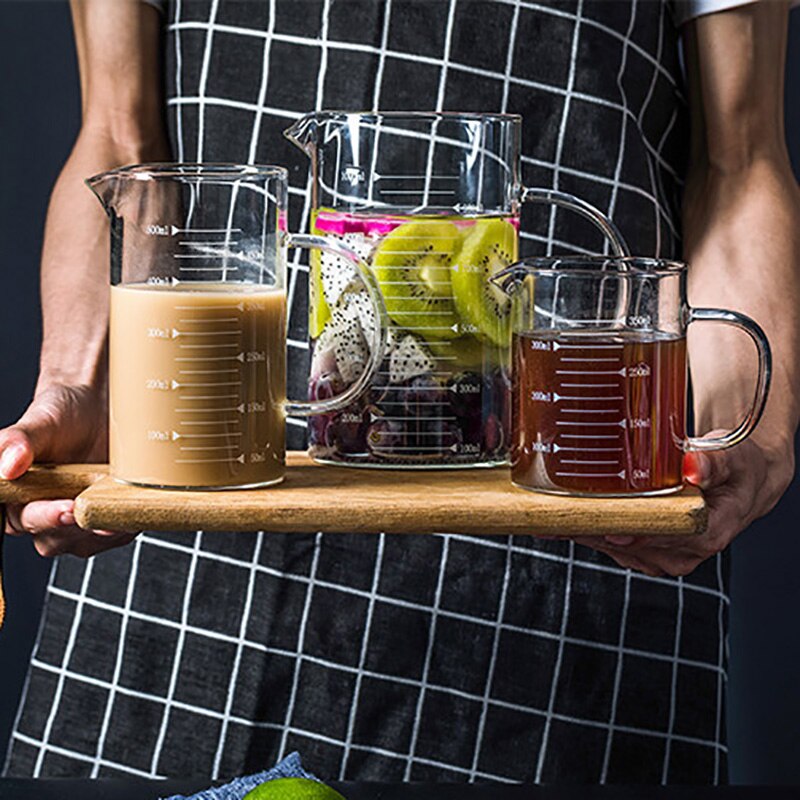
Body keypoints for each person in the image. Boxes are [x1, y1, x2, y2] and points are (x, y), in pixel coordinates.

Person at [2, 0, 799, 785]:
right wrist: (81, 387)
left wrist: (744, 431)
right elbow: (118, 135)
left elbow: (741, 162)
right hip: (194, 520)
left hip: (565, 535)